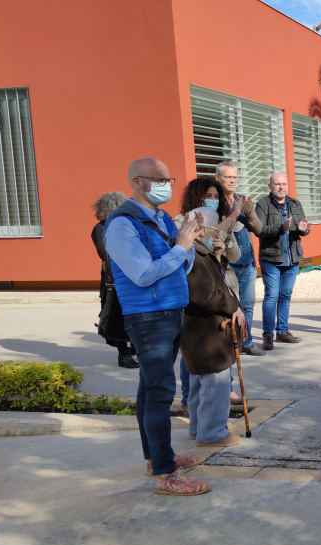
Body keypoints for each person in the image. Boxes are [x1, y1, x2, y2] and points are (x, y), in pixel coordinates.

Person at [104, 157, 208, 496]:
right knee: (160, 393)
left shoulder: (160, 217)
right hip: (148, 318)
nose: (166, 185)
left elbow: (179, 264)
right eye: (158, 179)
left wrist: (190, 244)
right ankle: (165, 475)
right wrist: (180, 247)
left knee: (149, 391)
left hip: (170, 312)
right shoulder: (122, 224)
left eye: (170, 179)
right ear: (137, 182)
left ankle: (156, 457)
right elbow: (143, 273)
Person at [177, 185, 246, 448]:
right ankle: (212, 433)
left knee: (199, 384)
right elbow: (205, 296)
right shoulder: (193, 252)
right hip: (206, 331)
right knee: (214, 385)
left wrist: (218, 256)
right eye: (216, 226)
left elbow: (213, 279)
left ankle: (198, 428)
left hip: (199, 332)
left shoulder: (201, 251)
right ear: (202, 228)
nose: (220, 230)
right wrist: (232, 304)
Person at [214, 162, 265, 356]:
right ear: (217, 178)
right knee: (231, 305)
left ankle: (247, 342)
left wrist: (249, 212)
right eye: (228, 177)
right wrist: (235, 214)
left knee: (248, 304)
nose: (233, 181)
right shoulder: (214, 201)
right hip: (228, 264)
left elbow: (259, 230)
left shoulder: (242, 200)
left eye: (235, 177)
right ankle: (230, 343)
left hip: (248, 263)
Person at [255, 173, 311, 350]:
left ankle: (282, 331)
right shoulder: (262, 204)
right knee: (272, 295)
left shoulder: (295, 203)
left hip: (292, 258)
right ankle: (268, 335)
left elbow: (302, 229)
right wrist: (280, 228)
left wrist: (302, 230)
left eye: (284, 184)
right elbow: (260, 230)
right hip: (271, 258)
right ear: (270, 186)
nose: (281, 187)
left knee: (285, 296)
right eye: (277, 184)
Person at [90, 191, 137, 368]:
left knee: (133, 314)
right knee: (116, 316)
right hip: (112, 280)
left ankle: (135, 348)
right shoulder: (100, 228)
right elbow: (104, 253)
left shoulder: (127, 226)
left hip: (131, 276)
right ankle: (123, 354)